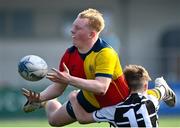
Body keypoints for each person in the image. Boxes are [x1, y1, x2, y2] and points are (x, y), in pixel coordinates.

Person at [21, 8, 130, 127]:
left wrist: (69, 79)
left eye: (78, 28)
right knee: (54, 121)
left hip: (119, 104)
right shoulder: (69, 55)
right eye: (73, 26)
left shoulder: (105, 53)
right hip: (90, 99)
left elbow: (101, 87)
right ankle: (47, 102)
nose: (72, 30)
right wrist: (40, 97)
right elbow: (59, 87)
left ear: (91, 34)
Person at [68, 64, 176, 127]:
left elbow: (83, 118)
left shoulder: (114, 109)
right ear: (146, 86)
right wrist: (161, 84)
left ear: (125, 86)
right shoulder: (151, 100)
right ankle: (161, 82)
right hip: (156, 91)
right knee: (161, 89)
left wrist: (73, 98)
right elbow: (160, 91)